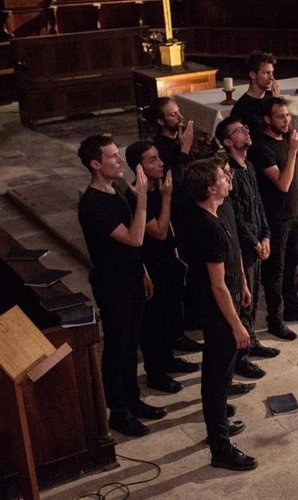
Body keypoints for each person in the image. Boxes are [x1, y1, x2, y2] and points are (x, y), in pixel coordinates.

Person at [77, 135, 166, 437]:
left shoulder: (113, 188)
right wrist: (142, 198)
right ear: (95, 164)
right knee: (117, 346)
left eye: (117, 155)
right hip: (112, 284)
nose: (118, 161)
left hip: (130, 277)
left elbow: (131, 249)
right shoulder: (92, 203)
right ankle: (118, 412)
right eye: (112, 157)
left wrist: (142, 270)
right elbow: (134, 238)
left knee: (131, 344)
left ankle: (132, 399)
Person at [182, 157, 256, 471]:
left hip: (224, 305)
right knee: (216, 379)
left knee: (221, 377)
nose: (229, 178)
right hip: (217, 313)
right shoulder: (207, 226)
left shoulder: (214, 213)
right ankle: (220, 448)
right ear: (212, 189)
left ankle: (219, 427)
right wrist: (238, 325)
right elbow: (217, 286)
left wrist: (243, 285)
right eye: (223, 177)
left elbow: (230, 264)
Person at [123, 141, 196, 395]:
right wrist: (166, 198)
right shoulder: (135, 195)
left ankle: (168, 358)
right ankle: (156, 373)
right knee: (153, 323)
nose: (160, 163)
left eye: (158, 158)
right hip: (151, 266)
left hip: (168, 263)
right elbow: (160, 231)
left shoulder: (158, 188)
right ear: (139, 167)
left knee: (169, 316)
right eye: (152, 160)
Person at [251, 97, 298, 340]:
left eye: (288, 116)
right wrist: (293, 152)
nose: (287, 120)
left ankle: (293, 308)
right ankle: (275, 320)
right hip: (275, 219)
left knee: (293, 267)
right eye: (281, 116)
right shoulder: (261, 148)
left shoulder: (285, 142)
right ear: (268, 119)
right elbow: (282, 183)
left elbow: (293, 186)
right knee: (276, 271)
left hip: (291, 215)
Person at [216, 116, 279, 381]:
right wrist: (254, 240)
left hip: (256, 240)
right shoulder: (227, 172)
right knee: (244, 300)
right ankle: (240, 357)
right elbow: (236, 215)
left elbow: (259, 205)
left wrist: (266, 234)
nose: (246, 131)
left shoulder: (249, 166)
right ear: (229, 141)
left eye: (246, 128)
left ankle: (251, 340)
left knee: (253, 296)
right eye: (239, 131)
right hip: (243, 246)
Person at [148, 96, 204, 353]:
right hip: (176, 218)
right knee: (183, 273)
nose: (179, 118)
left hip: (192, 215)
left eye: (178, 112)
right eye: (172, 115)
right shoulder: (160, 149)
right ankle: (179, 330)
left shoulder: (179, 141)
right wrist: (184, 151)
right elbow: (175, 184)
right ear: (160, 120)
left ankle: (191, 319)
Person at [231, 50, 280, 139]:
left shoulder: (272, 96)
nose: (271, 77)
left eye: (272, 72)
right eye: (266, 73)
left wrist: (277, 102)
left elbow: (285, 129)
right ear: (253, 75)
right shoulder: (241, 107)